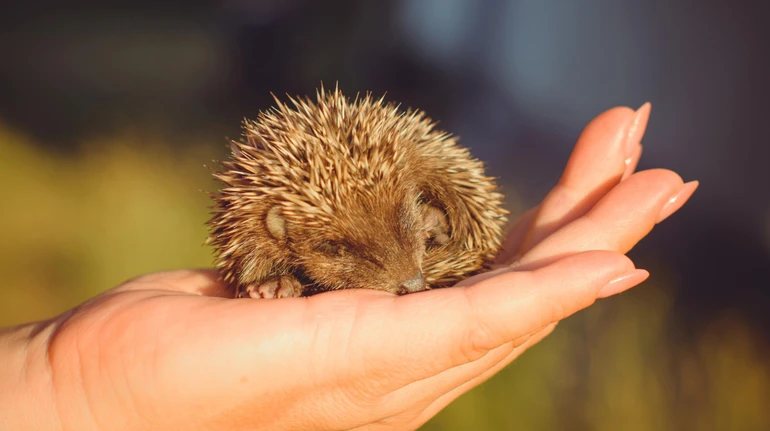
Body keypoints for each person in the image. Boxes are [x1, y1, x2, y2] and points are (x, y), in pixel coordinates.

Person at [1, 104, 697, 431]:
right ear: (277, 229)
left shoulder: (404, 168)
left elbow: (445, 210)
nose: (410, 277)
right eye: (337, 250)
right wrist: (71, 391)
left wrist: (61, 388)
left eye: (411, 238)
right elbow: (250, 263)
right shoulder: (263, 228)